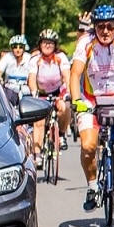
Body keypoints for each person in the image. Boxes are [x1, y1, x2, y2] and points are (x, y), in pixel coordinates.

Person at [71, 4, 114, 210]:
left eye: (110, 26)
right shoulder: (85, 43)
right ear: (94, 28)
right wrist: (77, 101)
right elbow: (75, 73)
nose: (105, 31)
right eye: (101, 26)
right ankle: (92, 186)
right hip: (91, 100)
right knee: (88, 147)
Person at [28, 29, 72, 158]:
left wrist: (68, 91)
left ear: (55, 45)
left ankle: (62, 134)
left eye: (50, 43)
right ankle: (37, 153)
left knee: (65, 108)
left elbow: (67, 76)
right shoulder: (35, 59)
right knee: (39, 122)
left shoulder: (60, 58)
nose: (47, 46)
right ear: (40, 44)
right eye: (45, 43)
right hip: (41, 92)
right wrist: (34, 92)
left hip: (57, 91)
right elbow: (31, 78)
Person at [0, 35, 31, 106]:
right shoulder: (7, 57)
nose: (18, 49)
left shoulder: (29, 57)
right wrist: (0, 80)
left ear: (24, 48)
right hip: (10, 88)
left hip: (25, 89)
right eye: (15, 47)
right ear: (11, 48)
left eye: (20, 47)